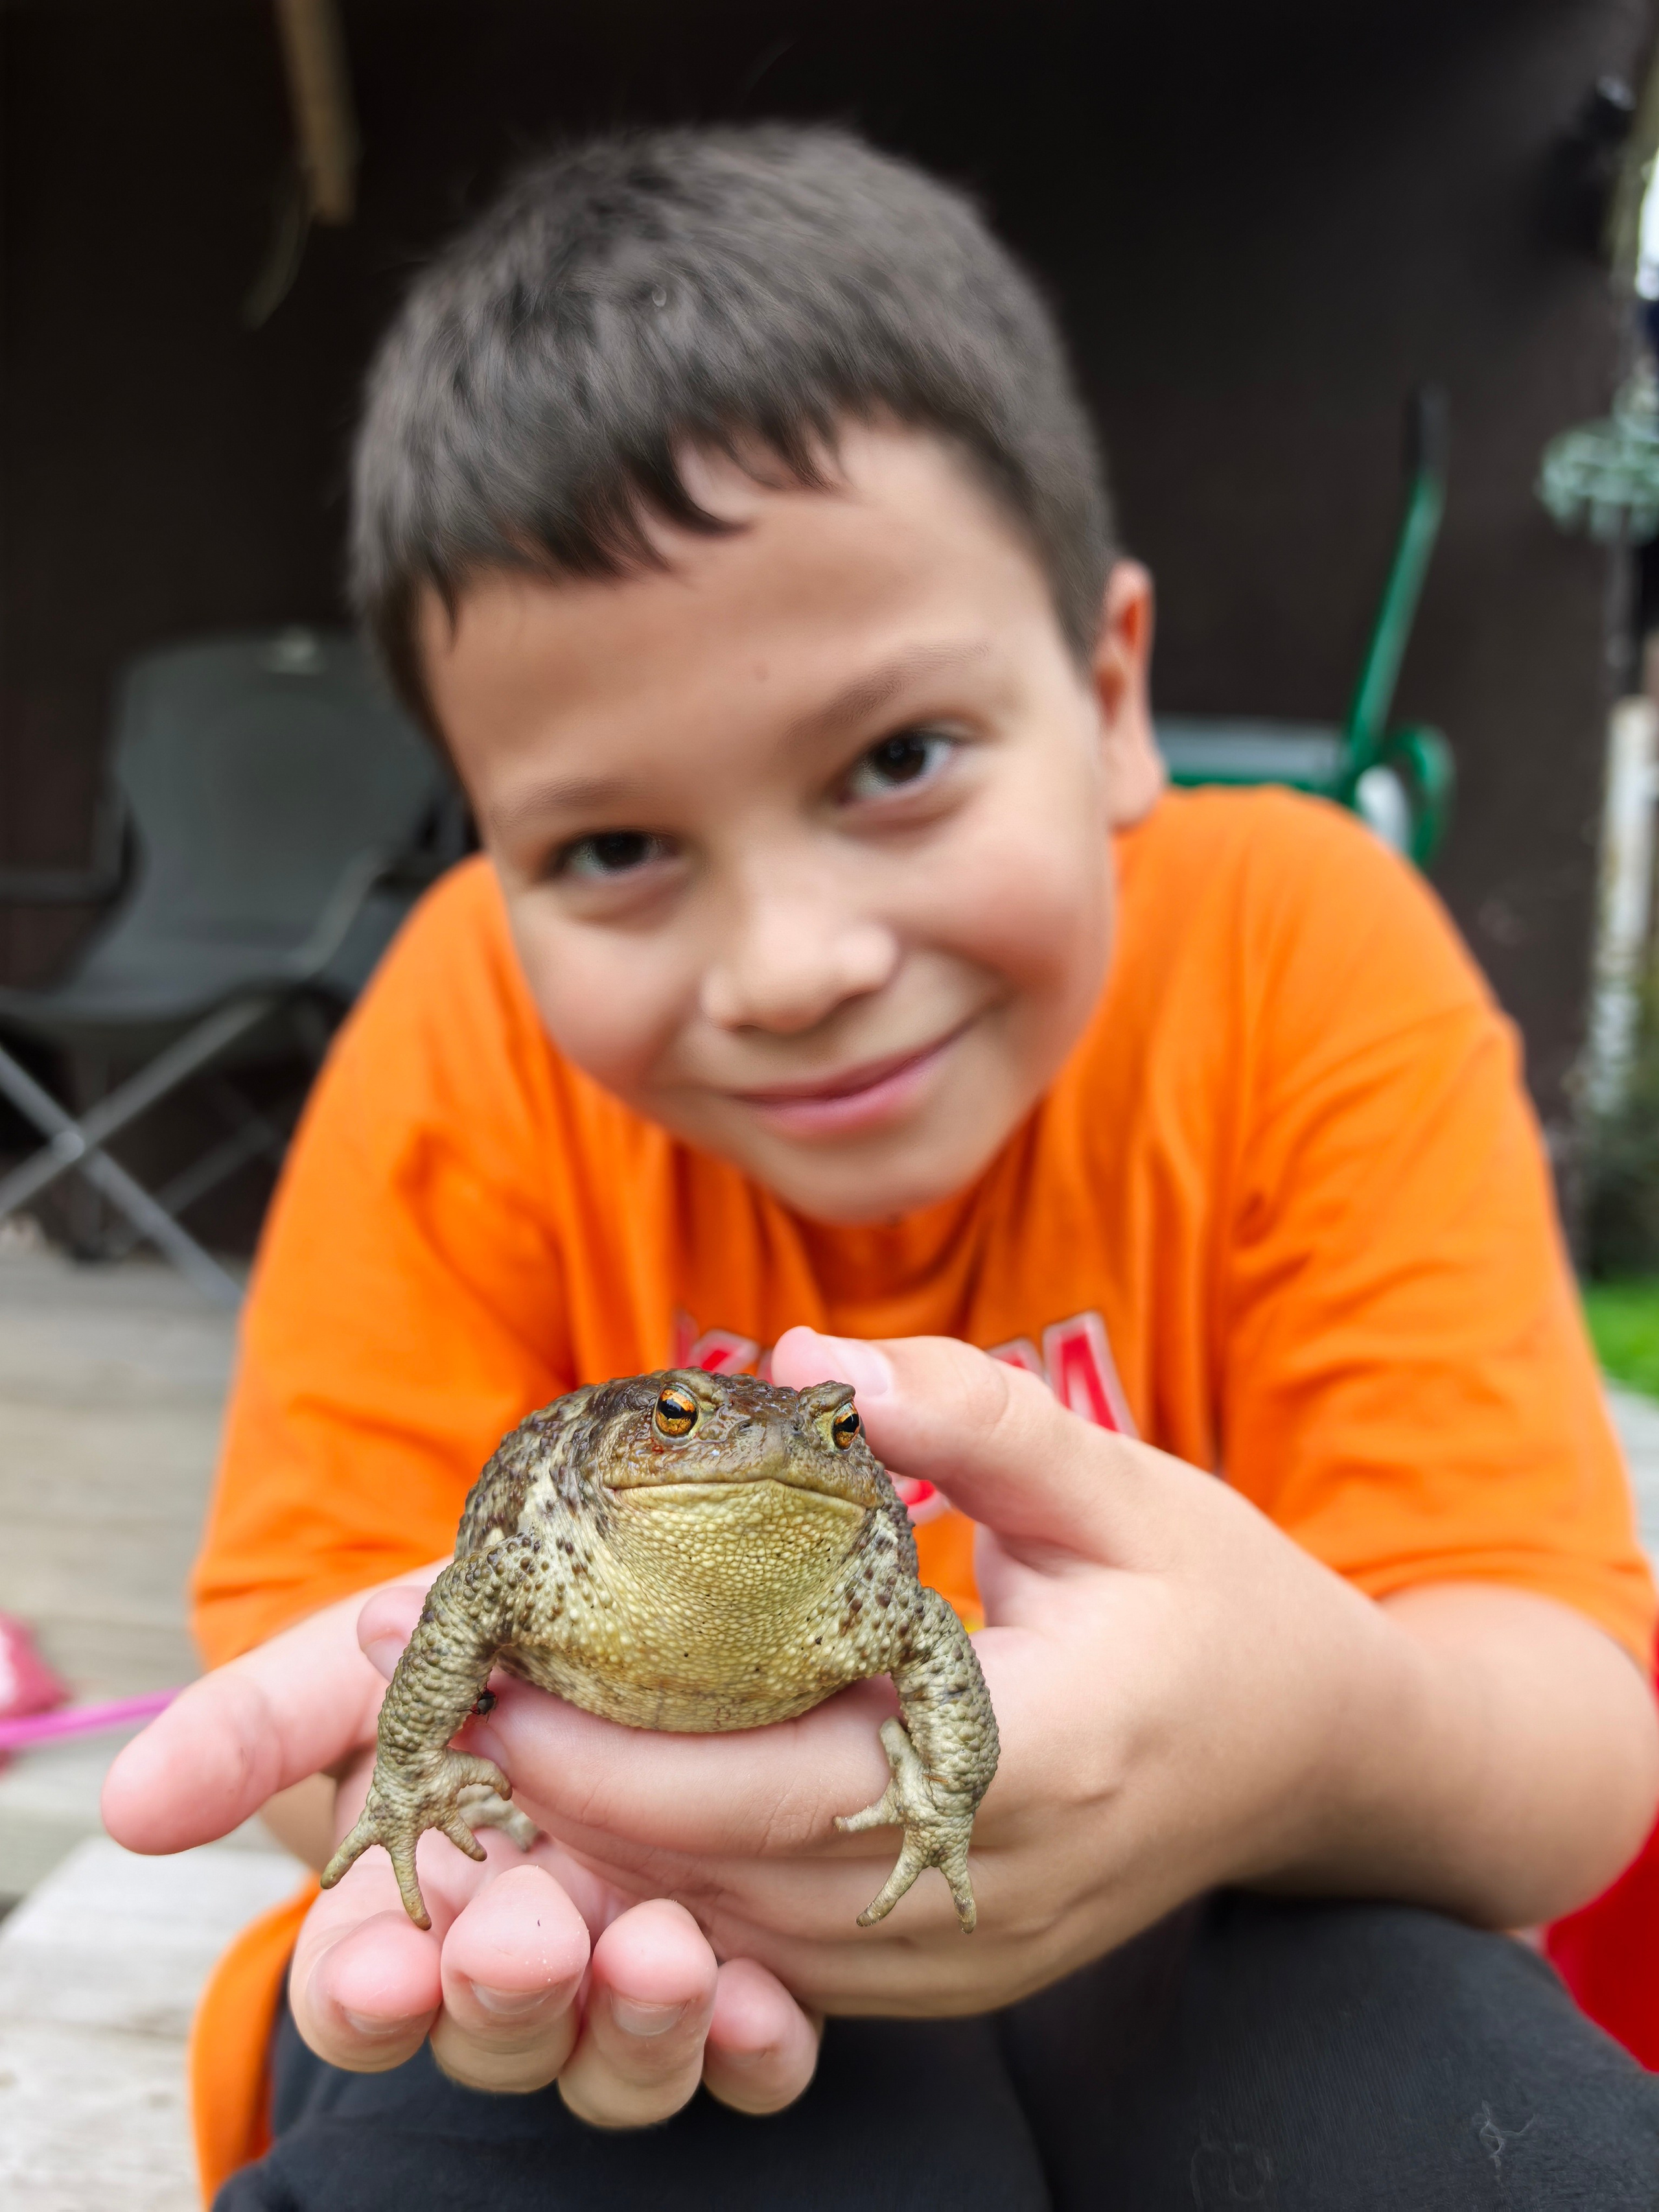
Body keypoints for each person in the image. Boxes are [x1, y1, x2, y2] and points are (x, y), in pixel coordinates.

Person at [104, 124, 1659, 2208]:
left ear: (1114, 695)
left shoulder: (1308, 948)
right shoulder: (460, 1024)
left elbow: (1565, 1732)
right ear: (483, 855)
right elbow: (321, 1673)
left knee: (1475, 2131)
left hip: (1233, 1910)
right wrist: (541, 1814)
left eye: (899, 760)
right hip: (603, 1952)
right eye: (614, 849)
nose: (799, 967)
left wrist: (1299, 1736)